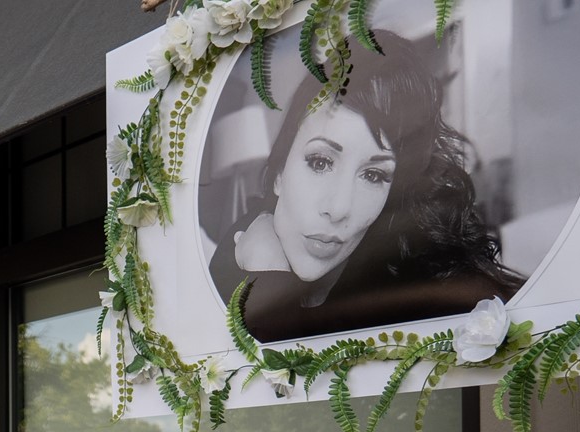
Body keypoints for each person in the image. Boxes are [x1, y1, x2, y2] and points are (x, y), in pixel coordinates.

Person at [208, 31, 523, 343]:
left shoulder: (415, 300)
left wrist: (270, 275)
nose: (339, 207)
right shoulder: (233, 253)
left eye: (373, 175)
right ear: (278, 173)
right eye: (320, 162)